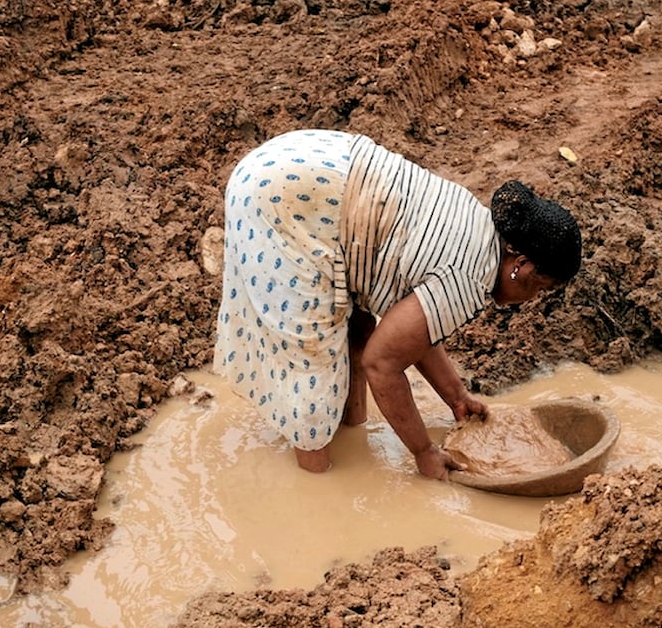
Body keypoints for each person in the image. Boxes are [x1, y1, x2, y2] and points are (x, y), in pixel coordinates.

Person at [213, 129, 582, 479]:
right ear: (522, 266)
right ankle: (316, 481)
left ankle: (352, 431)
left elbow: (414, 332)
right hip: (285, 199)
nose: (533, 299)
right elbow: (383, 364)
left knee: (357, 330)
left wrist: (456, 397)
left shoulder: (482, 231)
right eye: (542, 287)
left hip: (312, 166)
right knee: (313, 356)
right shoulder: (470, 276)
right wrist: (423, 452)